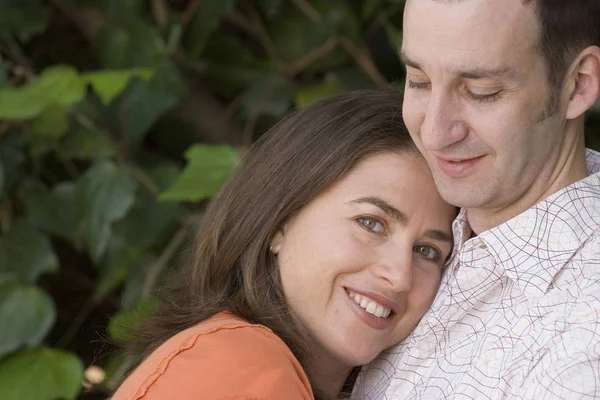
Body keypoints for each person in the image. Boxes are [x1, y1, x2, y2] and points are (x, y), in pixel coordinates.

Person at [111, 90, 457, 400]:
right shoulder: (241, 369)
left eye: (426, 251)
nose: (399, 276)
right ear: (279, 220)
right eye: (371, 223)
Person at [354, 0, 600, 399]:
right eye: (418, 81)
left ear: (578, 84)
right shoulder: (408, 205)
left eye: (481, 92)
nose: (433, 134)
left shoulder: (586, 338)